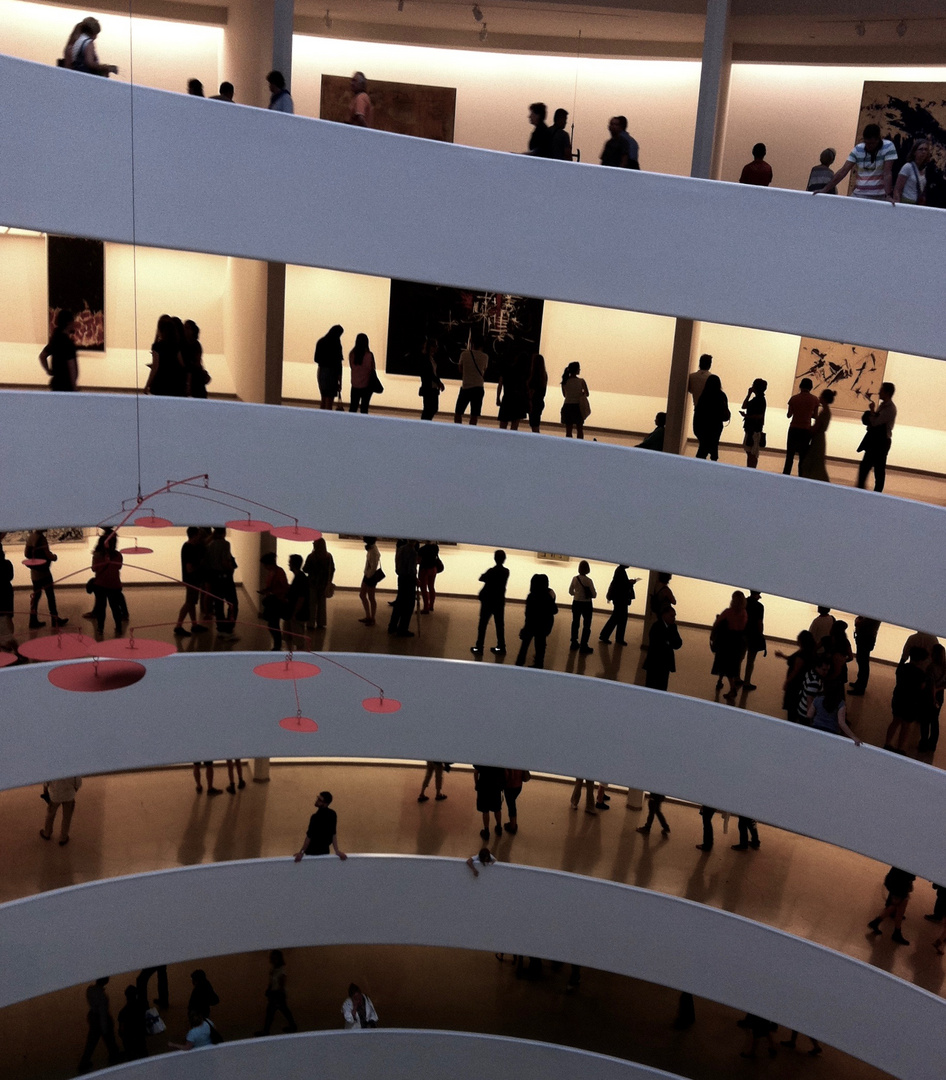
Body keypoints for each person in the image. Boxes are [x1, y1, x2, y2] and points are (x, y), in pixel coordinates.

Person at [815, 123, 897, 202]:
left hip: (880, 195)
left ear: (878, 139)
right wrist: (825, 189)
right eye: (867, 143)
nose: (869, 146)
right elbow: (844, 170)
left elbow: (887, 173)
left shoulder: (888, 147)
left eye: (872, 143)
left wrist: (888, 195)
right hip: (860, 194)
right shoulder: (858, 149)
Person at [884, 646, 930, 753]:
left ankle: (887, 743)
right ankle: (900, 747)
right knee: (906, 726)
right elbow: (922, 688)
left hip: (899, 697)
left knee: (895, 721)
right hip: (912, 702)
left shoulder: (902, 668)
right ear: (921, 660)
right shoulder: (921, 674)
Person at [856, 381, 896, 492]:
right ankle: (863, 490)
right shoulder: (884, 406)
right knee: (868, 467)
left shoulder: (890, 409)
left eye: (881, 390)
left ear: (887, 392)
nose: (879, 392)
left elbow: (875, 422)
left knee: (878, 469)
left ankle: (875, 492)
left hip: (881, 443)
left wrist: (872, 411)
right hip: (876, 441)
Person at [711, 590, 748, 701]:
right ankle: (721, 682)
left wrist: (713, 636)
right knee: (731, 665)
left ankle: (732, 689)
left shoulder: (728, 612)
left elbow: (717, 624)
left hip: (726, 642)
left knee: (724, 664)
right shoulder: (744, 613)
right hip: (737, 642)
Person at [25, 528, 67, 629]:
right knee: (50, 596)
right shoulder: (42, 538)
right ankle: (55, 619)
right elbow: (47, 554)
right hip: (44, 572)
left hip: (34, 572)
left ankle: (33, 620)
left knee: (36, 597)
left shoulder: (30, 537)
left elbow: (26, 554)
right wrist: (54, 557)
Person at [514, 573, 557, 669]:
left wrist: (525, 627)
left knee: (525, 645)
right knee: (540, 645)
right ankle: (539, 663)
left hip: (531, 624)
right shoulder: (549, 595)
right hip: (544, 625)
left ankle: (519, 663)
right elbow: (554, 610)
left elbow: (528, 614)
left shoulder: (531, 596)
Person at [78, 977, 120, 1073]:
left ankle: (84, 1062)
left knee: (91, 1043)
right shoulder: (102, 996)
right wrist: (105, 1028)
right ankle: (114, 1056)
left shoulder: (90, 990)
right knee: (110, 1040)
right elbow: (103, 1013)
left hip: (94, 1018)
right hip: (101, 1020)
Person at [471, 549, 508, 656]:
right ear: (504, 559)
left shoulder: (491, 571)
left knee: (482, 624)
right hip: (499, 601)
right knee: (499, 625)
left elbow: (481, 578)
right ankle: (501, 647)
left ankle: (479, 647)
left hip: (488, 601)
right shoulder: (506, 572)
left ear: (495, 558)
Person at [867, 866, 916, 945]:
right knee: (900, 910)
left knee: (896, 906)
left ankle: (876, 922)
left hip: (894, 881)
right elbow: (911, 875)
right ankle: (896, 933)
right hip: (901, 884)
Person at [294, 791, 347, 859]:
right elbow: (310, 836)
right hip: (320, 851)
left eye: (320, 800)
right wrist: (301, 852)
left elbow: (309, 836)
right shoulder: (331, 814)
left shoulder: (317, 817)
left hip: (315, 852)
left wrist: (337, 851)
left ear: (325, 803)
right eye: (318, 798)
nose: (317, 801)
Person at [205, 527, 238, 638]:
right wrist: (231, 568)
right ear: (224, 532)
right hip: (225, 577)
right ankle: (229, 627)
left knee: (218, 603)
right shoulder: (225, 544)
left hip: (214, 577)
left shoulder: (210, 545)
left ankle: (220, 628)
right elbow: (224, 561)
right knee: (233, 603)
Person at [173, 526, 206, 637]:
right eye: (198, 535)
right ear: (195, 535)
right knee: (189, 603)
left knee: (192, 603)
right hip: (192, 580)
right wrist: (201, 564)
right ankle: (178, 626)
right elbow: (190, 568)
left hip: (191, 579)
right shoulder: (189, 548)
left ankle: (194, 625)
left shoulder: (189, 546)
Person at [782, 378, 819, 475]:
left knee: (790, 455)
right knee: (803, 456)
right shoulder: (815, 400)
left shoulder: (794, 399)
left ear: (800, 386)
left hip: (794, 428)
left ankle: (786, 474)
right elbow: (815, 416)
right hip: (806, 429)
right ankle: (801, 476)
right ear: (811, 387)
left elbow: (789, 415)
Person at [91, 528, 124, 633]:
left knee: (101, 608)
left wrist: (105, 560)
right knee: (115, 607)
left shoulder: (97, 555)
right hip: (114, 585)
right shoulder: (118, 555)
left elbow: (94, 568)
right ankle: (118, 627)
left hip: (100, 584)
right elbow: (119, 567)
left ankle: (100, 628)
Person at [257, 950, 297, 1036]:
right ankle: (292, 1026)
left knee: (273, 1012)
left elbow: (281, 983)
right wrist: (269, 989)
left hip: (278, 994)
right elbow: (272, 982)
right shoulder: (274, 969)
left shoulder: (281, 969)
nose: (273, 959)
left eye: (275, 958)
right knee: (282, 1011)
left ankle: (266, 1031)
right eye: (273, 957)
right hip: (275, 994)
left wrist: (277, 994)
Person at [145, 314, 186, 396]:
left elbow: (155, 367)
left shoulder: (157, 346)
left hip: (160, 383)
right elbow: (182, 364)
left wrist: (147, 384)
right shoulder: (176, 345)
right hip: (174, 383)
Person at [644, 606, 682, 691]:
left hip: (666, 664)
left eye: (674, 616)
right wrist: (669, 642)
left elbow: (678, 643)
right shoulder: (656, 626)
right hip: (654, 663)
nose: (674, 618)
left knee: (662, 687)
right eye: (672, 616)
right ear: (664, 615)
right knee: (651, 687)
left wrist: (668, 642)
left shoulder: (673, 627)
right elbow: (657, 644)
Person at [800, 388, 835, 482]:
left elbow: (816, 428)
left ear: (824, 398)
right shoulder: (826, 412)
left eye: (821, 396)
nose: (819, 397)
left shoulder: (824, 412)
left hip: (817, 439)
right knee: (816, 462)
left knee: (811, 462)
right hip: (820, 439)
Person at [39, 309, 78, 391]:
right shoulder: (68, 343)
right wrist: (74, 388)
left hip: (56, 384)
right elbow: (72, 368)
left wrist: (48, 370)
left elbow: (42, 356)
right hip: (66, 386)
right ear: (68, 323)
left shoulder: (55, 340)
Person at [692, 373, 730, 460]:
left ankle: (699, 466)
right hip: (716, 425)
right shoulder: (722, 395)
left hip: (704, 425)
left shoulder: (704, 396)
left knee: (702, 448)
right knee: (714, 443)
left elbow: (699, 412)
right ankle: (713, 461)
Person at [599, 565, 637, 646]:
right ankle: (615, 637)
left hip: (618, 599)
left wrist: (628, 582)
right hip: (621, 599)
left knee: (617, 618)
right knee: (619, 618)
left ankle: (607, 635)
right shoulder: (621, 571)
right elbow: (622, 586)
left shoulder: (619, 571)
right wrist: (630, 583)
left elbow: (620, 584)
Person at [302, 537, 335, 631]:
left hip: (312, 583)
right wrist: (329, 581)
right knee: (322, 604)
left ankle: (310, 623)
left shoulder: (311, 556)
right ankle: (321, 623)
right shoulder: (328, 556)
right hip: (323, 584)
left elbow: (305, 569)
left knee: (311, 604)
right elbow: (332, 569)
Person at [454, 336, 488, 424]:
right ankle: (471, 432)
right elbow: (484, 371)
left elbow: (460, 369)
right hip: (478, 388)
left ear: (472, 344)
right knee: (474, 415)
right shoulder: (485, 357)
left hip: (466, 386)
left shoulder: (464, 354)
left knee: (458, 413)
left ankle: (458, 430)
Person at [258, 552, 289, 650]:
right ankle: (277, 644)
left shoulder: (279, 572)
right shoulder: (273, 572)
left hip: (277, 602)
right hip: (274, 601)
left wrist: (272, 592)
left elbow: (284, 587)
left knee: (273, 624)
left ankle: (277, 645)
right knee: (272, 624)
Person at [387, 539, 418, 637]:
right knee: (408, 606)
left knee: (399, 603)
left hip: (401, 578)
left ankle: (392, 626)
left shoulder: (400, 549)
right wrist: (415, 579)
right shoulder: (412, 552)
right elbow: (411, 569)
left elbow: (397, 565)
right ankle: (403, 629)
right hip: (409, 580)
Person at [40, 775, 81, 845]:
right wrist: (74, 790)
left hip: (55, 795)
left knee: (50, 814)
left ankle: (47, 833)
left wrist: (45, 791)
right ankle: (63, 837)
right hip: (69, 795)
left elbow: (46, 782)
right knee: (67, 817)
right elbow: (78, 782)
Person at [848, 615, 881, 696]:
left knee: (863, 664)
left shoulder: (872, 616)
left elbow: (860, 623)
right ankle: (859, 683)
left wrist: (858, 621)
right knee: (862, 662)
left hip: (865, 639)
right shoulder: (874, 615)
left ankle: (860, 688)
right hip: (866, 639)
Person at [568, 560, 596, 654]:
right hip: (586, 604)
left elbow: (570, 591)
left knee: (575, 623)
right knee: (587, 625)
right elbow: (594, 594)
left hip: (576, 603)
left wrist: (577, 594)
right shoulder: (588, 581)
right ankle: (584, 645)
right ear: (588, 569)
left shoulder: (574, 578)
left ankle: (574, 642)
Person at [496, 351, 529, 430]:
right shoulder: (524, 373)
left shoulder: (507, 370)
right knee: (514, 426)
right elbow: (526, 388)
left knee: (503, 424)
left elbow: (500, 384)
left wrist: (498, 397)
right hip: (518, 400)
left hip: (507, 398)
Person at [314, 325, 344, 410]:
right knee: (329, 400)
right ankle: (327, 419)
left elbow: (316, 359)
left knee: (323, 397)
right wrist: (340, 382)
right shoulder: (336, 344)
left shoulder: (321, 341)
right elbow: (339, 364)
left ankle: (321, 419)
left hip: (322, 372)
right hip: (333, 374)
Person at [473, 763, 506, 839]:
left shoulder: (482, 758)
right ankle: (498, 827)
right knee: (497, 808)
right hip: (496, 786)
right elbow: (504, 772)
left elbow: (476, 772)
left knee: (485, 810)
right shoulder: (498, 758)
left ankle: (486, 831)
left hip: (483, 786)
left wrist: (476, 784)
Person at [894, 139, 931, 204]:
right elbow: (897, 189)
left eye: (926, 149)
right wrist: (898, 205)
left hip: (917, 204)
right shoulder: (907, 167)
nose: (923, 152)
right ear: (914, 152)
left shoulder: (924, 169)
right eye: (921, 149)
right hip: (906, 202)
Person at [740, 379, 766, 468]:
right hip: (752, 428)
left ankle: (751, 469)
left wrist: (746, 416)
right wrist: (749, 394)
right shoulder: (759, 399)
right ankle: (750, 469)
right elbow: (744, 406)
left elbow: (759, 416)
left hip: (754, 429)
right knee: (751, 451)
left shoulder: (760, 400)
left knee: (752, 452)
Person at [117, 985, 148, 1061]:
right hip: (140, 1036)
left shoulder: (123, 1012)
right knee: (143, 1054)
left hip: (129, 1038)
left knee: (131, 1056)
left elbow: (121, 1028)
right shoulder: (141, 1007)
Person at [743, 590, 766, 691]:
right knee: (750, 660)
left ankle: (736, 678)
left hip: (742, 633)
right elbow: (759, 622)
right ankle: (746, 682)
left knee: (739, 657)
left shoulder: (744, 603)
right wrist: (761, 634)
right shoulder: (759, 606)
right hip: (753, 635)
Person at [560, 361, 590, 439]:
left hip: (567, 406)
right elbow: (587, 394)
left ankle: (569, 446)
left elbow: (564, 395)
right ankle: (580, 445)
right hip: (578, 407)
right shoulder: (581, 381)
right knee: (579, 429)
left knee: (568, 430)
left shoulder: (565, 381)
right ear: (576, 370)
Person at [349, 333, 377, 413]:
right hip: (366, 385)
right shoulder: (369, 355)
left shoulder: (352, 354)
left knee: (353, 407)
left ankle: (351, 423)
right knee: (364, 408)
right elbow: (372, 368)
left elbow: (352, 366)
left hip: (355, 384)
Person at [418, 337, 445, 420]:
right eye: (435, 346)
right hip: (429, 387)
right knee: (430, 408)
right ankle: (424, 424)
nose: (436, 348)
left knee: (431, 408)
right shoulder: (426, 359)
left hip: (432, 387)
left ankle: (425, 424)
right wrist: (439, 382)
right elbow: (429, 373)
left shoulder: (430, 358)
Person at [285, 553, 309, 644]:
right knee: (290, 637)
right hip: (295, 612)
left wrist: (295, 613)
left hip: (298, 613)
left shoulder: (300, 578)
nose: (288, 564)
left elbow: (301, 598)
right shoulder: (299, 577)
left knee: (298, 639)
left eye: (290, 563)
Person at [358, 537, 383, 626]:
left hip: (370, 576)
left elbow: (373, 566)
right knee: (363, 595)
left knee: (371, 597)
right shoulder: (372, 549)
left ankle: (372, 618)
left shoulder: (373, 551)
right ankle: (369, 616)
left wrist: (368, 575)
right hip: (368, 575)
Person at [182, 321, 209, 398]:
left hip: (196, 379)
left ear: (193, 331)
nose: (185, 330)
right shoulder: (185, 344)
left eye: (187, 328)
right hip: (191, 377)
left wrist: (188, 383)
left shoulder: (195, 345)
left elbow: (195, 363)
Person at [417, 541, 442, 613]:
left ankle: (426, 607)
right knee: (431, 587)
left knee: (424, 588)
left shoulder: (422, 549)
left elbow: (418, 561)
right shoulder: (435, 547)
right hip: (433, 569)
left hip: (424, 570)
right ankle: (431, 605)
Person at [527, 353, 548, 432]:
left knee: (533, 424)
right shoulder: (544, 375)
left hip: (533, 402)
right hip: (540, 401)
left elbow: (532, 391)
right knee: (536, 424)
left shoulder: (533, 376)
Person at [503, 768, 528, 833]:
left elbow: (509, 775)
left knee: (511, 806)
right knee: (512, 804)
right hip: (518, 785)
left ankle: (512, 826)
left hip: (510, 786)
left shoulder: (508, 762)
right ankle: (513, 823)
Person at [0, 533, 14, 632]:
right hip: (6, 592)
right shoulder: (7, 564)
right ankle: (9, 638)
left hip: (5, 592)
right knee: (8, 617)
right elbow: (10, 577)